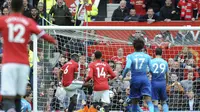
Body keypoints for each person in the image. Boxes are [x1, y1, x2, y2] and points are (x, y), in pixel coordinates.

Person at [0, 0, 57, 111]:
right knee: (18, 95)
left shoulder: (4, 20)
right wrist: (53, 40)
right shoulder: (28, 21)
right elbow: (43, 35)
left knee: (7, 95)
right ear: (23, 8)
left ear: (10, 8)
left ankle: (9, 109)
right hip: (23, 63)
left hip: (8, 63)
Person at [122, 38, 154, 112]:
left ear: (133, 46)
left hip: (135, 79)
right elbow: (151, 70)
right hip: (144, 79)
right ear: (143, 47)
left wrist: (123, 76)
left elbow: (127, 67)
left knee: (134, 102)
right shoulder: (147, 56)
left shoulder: (130, 56)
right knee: (149, 100)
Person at [149, 48, 169, 112]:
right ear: (162, 53)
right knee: (164, 102)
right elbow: (167, 75)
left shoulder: (151, 61)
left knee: (155, 103)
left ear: (155, 53)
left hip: (154, 82)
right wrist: (166, 83)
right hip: (162, 82)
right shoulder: (165, 62)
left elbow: (149, 72)